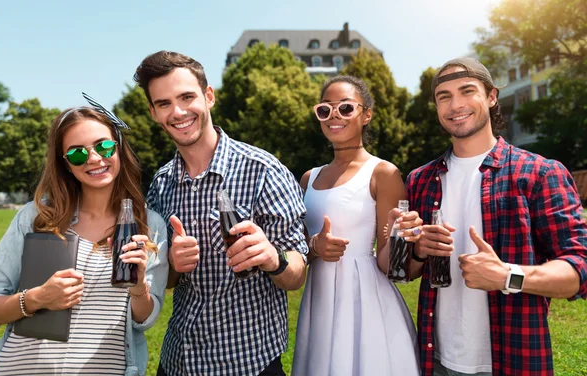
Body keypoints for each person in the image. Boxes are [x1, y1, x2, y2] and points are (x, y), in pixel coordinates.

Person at [406, 57, 587, 376]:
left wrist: (508, 276)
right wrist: (418, 251)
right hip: (435, 360)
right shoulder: (420, 180)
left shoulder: (539, 173)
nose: (455, 105)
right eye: (444, 97)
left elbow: (579, 268)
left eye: (466, 91)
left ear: (491, 97)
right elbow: (404, 272)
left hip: (512, 360)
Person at [134, 50, 308, 376]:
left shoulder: (264, 170)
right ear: (153, 113)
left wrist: (273, 258)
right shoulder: (160, 185)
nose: (179, 111)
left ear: (209, 96)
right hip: (178, 361)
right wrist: (172, 263)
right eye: (164, 103)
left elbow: (297, 273)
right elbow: (164, 281)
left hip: (248, 362)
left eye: (187, 97)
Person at [0, 102, 169, 376]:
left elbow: (144, 319)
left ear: (118, 148)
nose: (95, 159)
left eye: (104, 147)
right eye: (77, 153)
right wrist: (36, 299)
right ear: (65, 164)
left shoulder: (149, 224)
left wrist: (138, 282)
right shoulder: (36, 217)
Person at [292, 75, 421, 375]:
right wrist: (315, 247)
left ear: (366, 114)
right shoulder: (308, 179)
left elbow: (395, 267)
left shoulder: (383, 173)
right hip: (319, 301)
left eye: (346, 108)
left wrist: (400, 237)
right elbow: (298, 251)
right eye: (325, 110)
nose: (334, 115)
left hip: (367, 303)